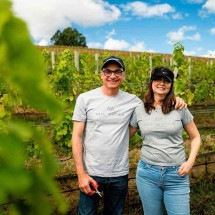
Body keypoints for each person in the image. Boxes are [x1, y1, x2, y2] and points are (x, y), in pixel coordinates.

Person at [71, 57, 186, 215]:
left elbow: (156, 104)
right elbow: (76, 137)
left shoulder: (134, 102)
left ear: (123, 75)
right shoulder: (85, 99)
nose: (112, 75)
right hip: (91, 173)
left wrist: (176, 100)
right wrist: (81, 174)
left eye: (117, 71)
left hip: (119, 174)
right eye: (108, 71)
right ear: (101, 74)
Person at [129, 66, 201, 215]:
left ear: (171, 85)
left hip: (177, 174)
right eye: (158, 79)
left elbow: (196, 137)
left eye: (166, 81)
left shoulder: (179, 107)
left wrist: (190, 162)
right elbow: (124, 137)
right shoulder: (139, 110)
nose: (162, 83)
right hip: (147, 175)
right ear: (151, 83)